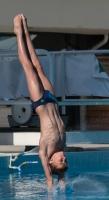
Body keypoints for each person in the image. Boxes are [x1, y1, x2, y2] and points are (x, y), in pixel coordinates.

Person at [14, 14, 68, 191]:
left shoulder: (45, 150)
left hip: (40, 102)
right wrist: (62, 179)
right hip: (51, 100)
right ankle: (26, 30)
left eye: (61, 160)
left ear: (51, 160)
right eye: (65, 160)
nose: (64, 157)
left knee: (28, 67)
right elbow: (61, 175)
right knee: (38, 66)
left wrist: (51, 186)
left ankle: (17, 33)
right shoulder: (61, 145)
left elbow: (50, 178)